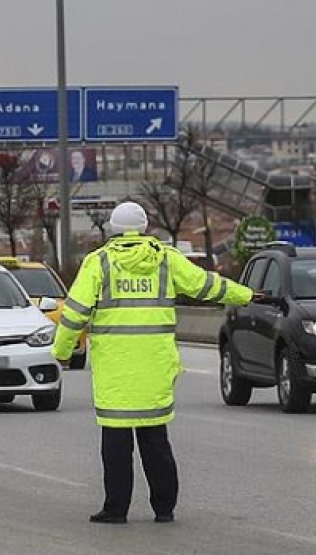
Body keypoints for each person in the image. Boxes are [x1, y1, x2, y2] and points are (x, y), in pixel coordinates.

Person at [51, 201, 256, 525]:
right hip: (155, 365)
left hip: (115, 369)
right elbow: (205, 285)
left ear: (113, 228)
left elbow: (74, 313)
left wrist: (61, 352)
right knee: (155, 439)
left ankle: (116, 509)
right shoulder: (166, 258)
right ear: (145, 226)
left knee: (116, 443)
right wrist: (246, 295)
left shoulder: (98, 262)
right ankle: (164, 509)